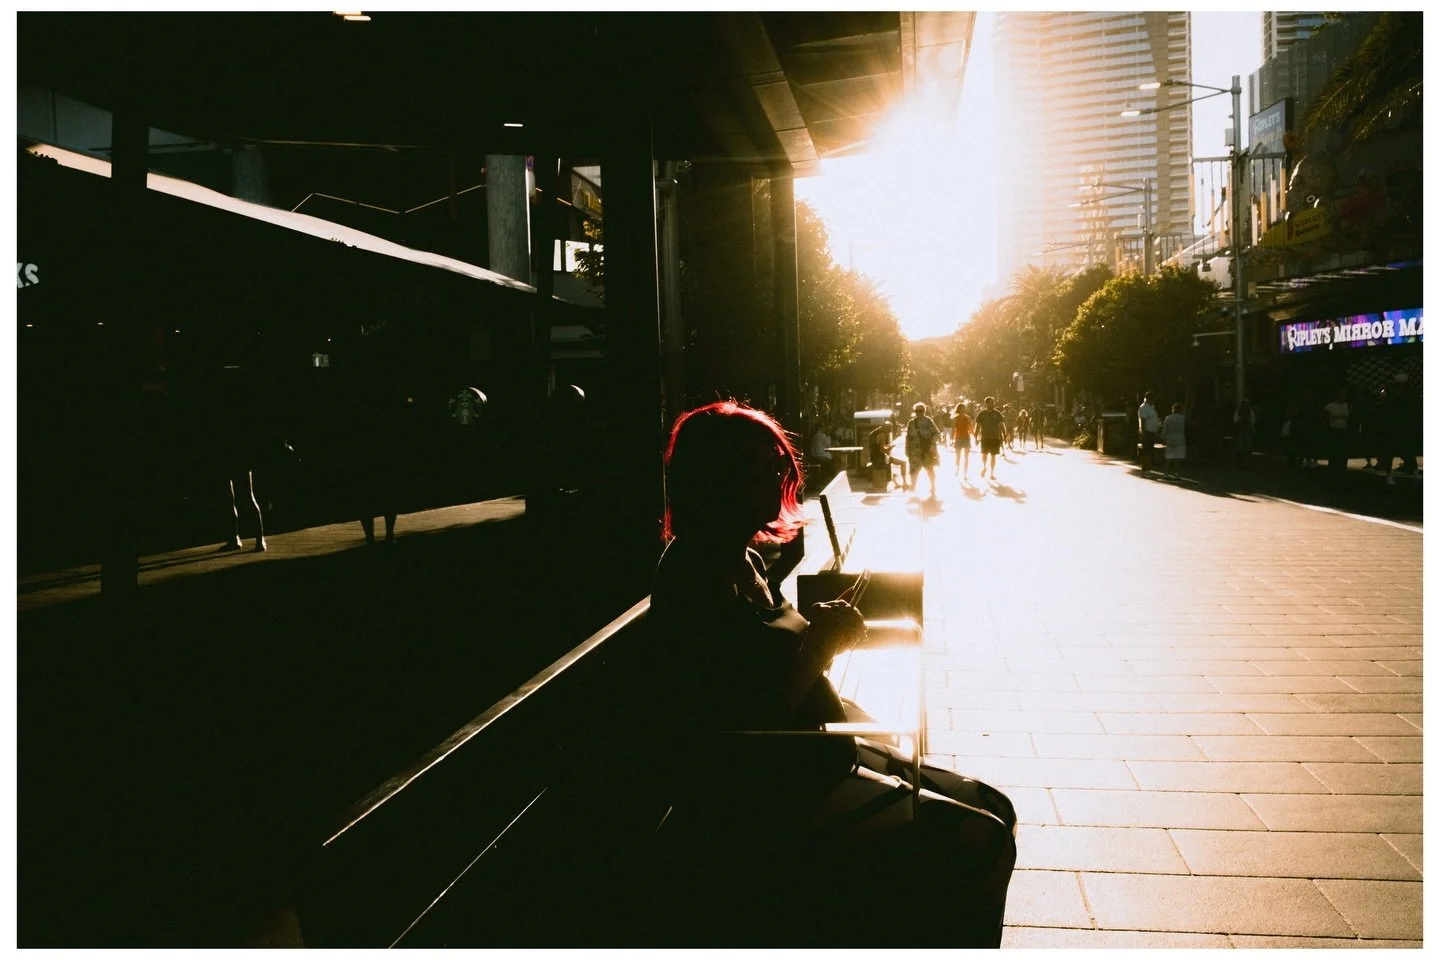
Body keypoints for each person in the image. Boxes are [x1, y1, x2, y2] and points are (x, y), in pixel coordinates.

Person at [647, 400, 1017, 946]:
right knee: (981, 839)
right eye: (759, 467)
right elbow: (738, 723)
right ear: (715, 480)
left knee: (996, 806)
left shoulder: (743, 559)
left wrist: (834, 674)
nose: (777, 477)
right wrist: (820, 648)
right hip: (769, 785)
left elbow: (768, 665)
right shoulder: (696, 577)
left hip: (815, 749)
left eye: (777, 464)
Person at [904, 402, 940, 499]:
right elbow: (908, 437)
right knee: (913, 470)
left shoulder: (928, 421)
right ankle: (913, 487)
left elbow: (937, 433)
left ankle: (932, 486)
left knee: (929, 469)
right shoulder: (911, 422)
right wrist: (907, 450)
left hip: (926, 450)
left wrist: (932, 444)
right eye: (916, 411)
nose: (918, 413)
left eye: (920, 411)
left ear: (924, 411)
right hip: (914, 451)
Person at [974, 396, 1007, 481]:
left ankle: (992, 473)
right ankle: (984, 467)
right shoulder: (981, 414)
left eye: (993, 402)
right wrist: (975, 437)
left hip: (995, 438)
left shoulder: (997, 413)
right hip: (985, 438)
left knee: (993, 456)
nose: (993, 404)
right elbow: (977, 426)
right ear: (986, 403)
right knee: (984, 455)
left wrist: (1004, 435)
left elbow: (1002, 425)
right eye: (991, 402)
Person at [868, 421, 907, 491]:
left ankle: (896, 483)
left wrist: (886, 446)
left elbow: (876, 446)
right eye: (889, 430)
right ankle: (905, 483)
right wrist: (890, 448)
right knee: (903, 463)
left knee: (889, 462)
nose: (889, 432)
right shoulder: (882, 435)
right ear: (886, 428)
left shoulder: (873, 433)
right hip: (880, 458)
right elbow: (882, 450)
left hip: (874, 457)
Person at [1323, 386, 1351, 472]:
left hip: (1344, 429)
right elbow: (1324, 418)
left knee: (1343, 450)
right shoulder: (1330, 406)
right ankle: (1333, 467)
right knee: (1334, 450)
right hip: (1334, 429)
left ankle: (1342, 466)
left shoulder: (1348, 406)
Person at [1137, 392, 1161, 472]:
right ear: (1149, 398)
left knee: (1150, 450)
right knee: (1146, 450)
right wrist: (1143, 432)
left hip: (1152, 432)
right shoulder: (1143, 408)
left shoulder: (1151, 407)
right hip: (1147, 431)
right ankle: (1145, 469)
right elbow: (1142, 421)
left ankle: (1149, 467)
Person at [1161, 402, 1187, 477]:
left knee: (1169, 457)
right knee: (1177, 458)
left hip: (1170, 439)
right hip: (1180, 440)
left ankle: (1166, 473)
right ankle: (1177, 473)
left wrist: (1163, 437)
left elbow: (1165, 429)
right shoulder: (1183, 418)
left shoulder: (1168, 418)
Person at [951, 402, 974, 479]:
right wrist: (952, 439)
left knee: (966, 457)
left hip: (966, 438)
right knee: (958, 457)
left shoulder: (968, 417)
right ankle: (957, 468)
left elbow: (971, 428)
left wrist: (974, 436)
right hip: (958, 438)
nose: (963, 410)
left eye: (964, 408)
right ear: (958, 409)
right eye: (961, 408)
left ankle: (965, 474)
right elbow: (953, 429)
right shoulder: (955, 418)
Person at [1233, 398, 1257, 468]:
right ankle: (1239, 462)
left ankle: (1246, 462)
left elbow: (1253, 421)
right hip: (1240, 431)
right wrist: (1241, 416)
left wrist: (1248, 419)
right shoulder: (1238, 411)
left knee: (1247, 447)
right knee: (1240, 447)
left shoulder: (1250, 411)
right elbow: (1235, 420)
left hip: (1248, 431)